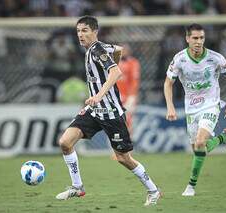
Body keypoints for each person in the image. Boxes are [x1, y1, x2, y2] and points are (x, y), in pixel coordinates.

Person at [56, 15, 161, 206]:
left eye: (85, 31)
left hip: (111, 112)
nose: (80, 35)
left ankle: (153, 190)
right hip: (94, 111)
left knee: (123, 158)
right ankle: (78, 187)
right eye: (78, 31)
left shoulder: (97, 50)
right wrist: (96, 98)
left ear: (95, 32)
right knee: (65, 142)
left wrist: (98, 95)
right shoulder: (98, 48)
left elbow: (116, 72)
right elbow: (118, 50)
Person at [164, 23, 226, 196]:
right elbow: (168, 83)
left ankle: (191, 186)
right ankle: (222, 138)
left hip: (211, 104)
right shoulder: (180, 59)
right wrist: (170, 105)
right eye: (195, 38)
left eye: (201, 38)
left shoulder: (215, 58)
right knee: (199, 149)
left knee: (199, 142)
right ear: (187, 39)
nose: (198, 41)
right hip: (191, 108)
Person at [116, 44, 140, 134]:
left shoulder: (133, 62)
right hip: (117, 95)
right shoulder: (114, 62)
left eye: (125, 50)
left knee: (128, 118)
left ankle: (128, 142)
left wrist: (132, 96)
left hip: (128, 95)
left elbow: (135, 80)